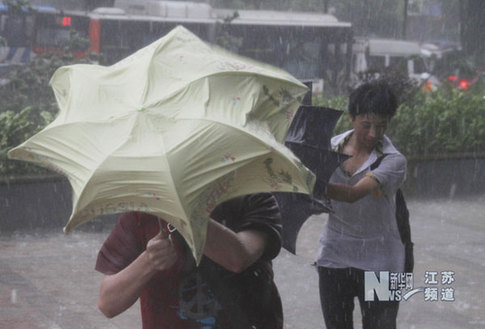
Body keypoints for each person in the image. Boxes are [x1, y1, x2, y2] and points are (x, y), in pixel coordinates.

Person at [95, 193, 283, 329]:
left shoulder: (251, 197)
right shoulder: (143, 211)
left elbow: (238, 258)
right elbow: (108, 303)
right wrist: (149, 261)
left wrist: (180, 213)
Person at [316, 80, 407, 329]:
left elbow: (353, 194)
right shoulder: (329, 148)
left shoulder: (393, 160)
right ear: (351, 118)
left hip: (381, 263)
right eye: (366, 124)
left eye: (381, 125)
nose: (373, 134)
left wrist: (309, 183)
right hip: (334, 257)